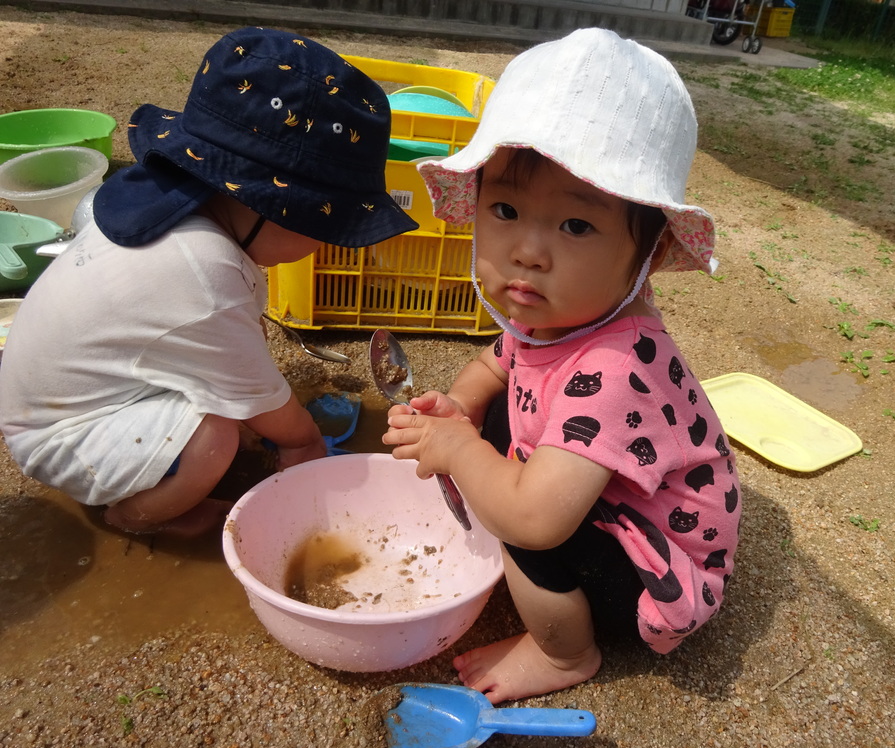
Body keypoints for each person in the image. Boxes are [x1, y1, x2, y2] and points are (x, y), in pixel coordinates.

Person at [382, 28, 741, 704]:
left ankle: (564, 652)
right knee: (492, 444)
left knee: (524, 520)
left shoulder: (612, 366)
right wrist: (462, 406)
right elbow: (503, 358)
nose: (529, 252)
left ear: (651, 254)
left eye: (576, 226)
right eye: (507, 211)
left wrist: (460, 451)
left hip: (657, 570)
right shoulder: (563, 307)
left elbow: (537, 520)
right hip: (601, 489)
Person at [0, 27, 417, 537]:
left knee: (237, 364)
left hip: (87, 393)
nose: (327, 243)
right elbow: (264, 398)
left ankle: (159, 460)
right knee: (215, 436)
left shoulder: (176, 205)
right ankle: (138, 515)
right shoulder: (201, 272)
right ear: (273, 208)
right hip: (62, 433)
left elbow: (216, 337)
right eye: (328, 229)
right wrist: (302, 442)